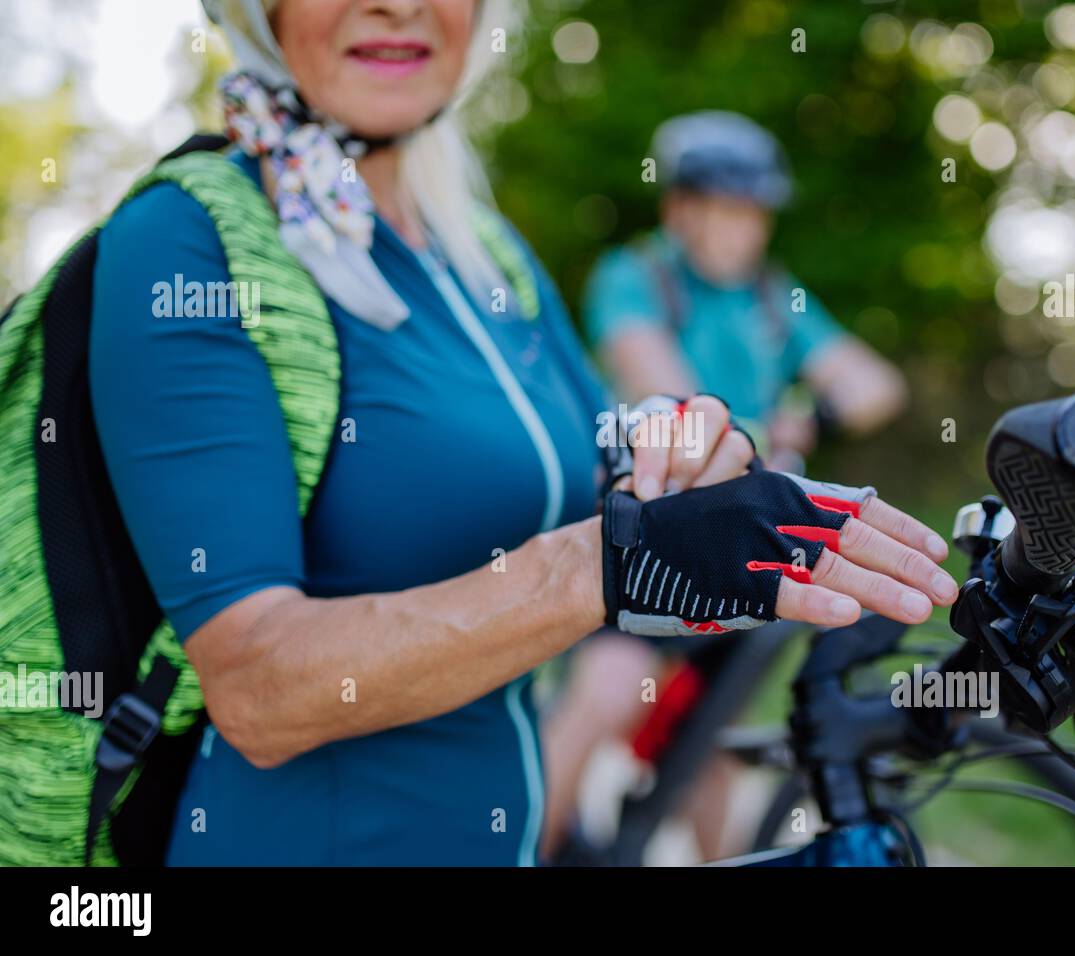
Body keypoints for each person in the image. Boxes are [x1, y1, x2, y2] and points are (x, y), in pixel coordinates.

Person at [89, 0, 956, 866]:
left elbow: (604, 448)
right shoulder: (189, 242)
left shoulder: (484, 252)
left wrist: (687, 458)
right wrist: (593, 565)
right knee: (615, 695)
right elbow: (257, 687)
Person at [542, 111, 911, 861]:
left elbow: (877, 383)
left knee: (704, 741)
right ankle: (529, 849)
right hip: (646, 533)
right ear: (679, 207)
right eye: (727, 210)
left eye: (756, 214)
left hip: (742, 537)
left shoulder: (775, 298)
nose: (745, 231)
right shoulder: (636, 278)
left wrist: (821, 410)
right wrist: (772, 432)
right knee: (607, 699)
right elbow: (673, 402)